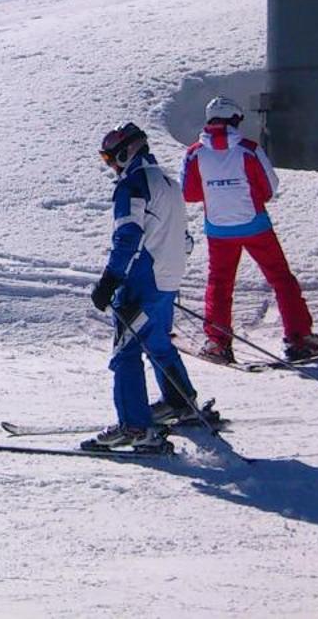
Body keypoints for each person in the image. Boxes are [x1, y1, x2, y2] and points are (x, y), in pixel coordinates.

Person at [180, 96, 318, 363]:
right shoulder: (248, 149)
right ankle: (300, 337)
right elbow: (270, 187)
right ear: (233, 119)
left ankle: (217, 342)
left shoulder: (195, 152)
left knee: (219, 282)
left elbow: (189, 192)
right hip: (255, 225)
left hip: (218, 228)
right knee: (281, 279)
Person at [85, 123, 200, 453]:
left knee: (126, 352)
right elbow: (185, 238)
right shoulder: (167, 181)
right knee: (158, 343)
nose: (110, 165)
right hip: (167, 279)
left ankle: (136, 427)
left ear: (125, 151)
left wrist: (109, 280)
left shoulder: (133, 185)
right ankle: (181, 403)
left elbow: (128, 237)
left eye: (110, 157)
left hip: (142, 281)